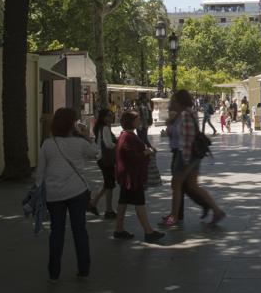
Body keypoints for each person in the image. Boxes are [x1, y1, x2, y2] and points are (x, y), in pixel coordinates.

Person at [34, 107, 98, 280]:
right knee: (79, 230)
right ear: (72, 124)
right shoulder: (80, 143)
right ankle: (84, 268)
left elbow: (40, 172)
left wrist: (39, 190)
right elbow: (96, 153)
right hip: (77, 191)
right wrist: (86, 136)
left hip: (54, 194)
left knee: (57, 231)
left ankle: (54, 272)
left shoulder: (48, 144)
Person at [161, 89, 226, 227]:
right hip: (192, 155)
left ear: (179, 102)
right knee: (192, 185)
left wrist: (184, 162)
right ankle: (216, 210)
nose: (171, 103)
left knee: (176, 184)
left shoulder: (185, 115)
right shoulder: (186, 114)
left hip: (185, 154)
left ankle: (173, 217)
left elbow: (186, 139)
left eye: (173, 101)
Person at [112, 111, 164, 242]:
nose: (140, 121)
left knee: (123, 202)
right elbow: (132, 157)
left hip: (126, 175)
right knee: (139, 202)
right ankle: (148, 232)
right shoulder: (128, 137)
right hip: (132, 176)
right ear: (132, 121)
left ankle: (118, 229)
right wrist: (147, 152)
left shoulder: (126, 135)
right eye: (137, 119)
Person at [89, 109, 118, 219]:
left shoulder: (100, 127)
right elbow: (108, 144)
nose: (111, 118)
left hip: (102, 159)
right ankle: (109, 210)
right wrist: (119, 144)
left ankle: (93, 203)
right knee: (110, 185)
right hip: (106, 159)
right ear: (103, 117)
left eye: (112, 115)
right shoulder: (105, 128)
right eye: (109, 116)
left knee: (108, 183)